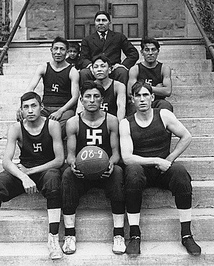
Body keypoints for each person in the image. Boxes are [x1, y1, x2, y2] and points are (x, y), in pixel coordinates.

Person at [0, 92, 65, 260]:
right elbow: (6, 161)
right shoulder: (16, 128)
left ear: (41, 107)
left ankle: (53, 238)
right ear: (21, 110)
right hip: (25, 169)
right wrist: (23, 177)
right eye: (26, 107)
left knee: (54, 180)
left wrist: (30, 172)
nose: (30, 110)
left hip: (47, 170)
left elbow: (59, 160)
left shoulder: (52, 126)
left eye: (34, 106)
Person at [119, 81, 201, 256]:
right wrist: (156, 159)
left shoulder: (163, 114)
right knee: (132, 172)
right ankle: (134, 235)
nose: (142, 99)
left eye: (145, 95)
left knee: (180, 173)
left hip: (163, 169)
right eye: (138, 96)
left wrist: (169, 159)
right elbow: (126, 157)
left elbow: (186, 136)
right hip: (142, 170)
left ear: (152, 97)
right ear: (132, 99)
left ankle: (186, 234)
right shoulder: (126, 123)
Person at [61, 80, 125, 255]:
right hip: (82, 172)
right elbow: (70, 155)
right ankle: (69, 234)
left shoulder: (112, 121)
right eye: (87, 96)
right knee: (67, 174)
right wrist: (73, 164)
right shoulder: (73, 123)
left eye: (96, 96)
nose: (91, 100)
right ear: (81, 99)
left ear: (102, 100)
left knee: (119, 172)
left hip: (105, 171)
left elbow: (116, 153)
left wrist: (111, 163)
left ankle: (119, 234)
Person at [17, 36, 80, 139]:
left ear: (67, 52)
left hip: (64, 109)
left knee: (62, 127)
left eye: (62, 49)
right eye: (55, 49)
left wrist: (60, 111)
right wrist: (21, 106)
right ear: (51, 50)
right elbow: (30, 89)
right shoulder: (43, 67)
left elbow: (75, 97)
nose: (58, 52)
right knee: (24, 116)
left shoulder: (72, 71)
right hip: (45, 107)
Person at [79, 11, 139, 86]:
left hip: (113, 69)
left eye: (104, 20)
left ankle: (121, 95)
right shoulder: (87, 39)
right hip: (95, 69)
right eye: (98, 20)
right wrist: (91, 66)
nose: (101, 23)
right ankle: (87, 95)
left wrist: (123, 65)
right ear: (94, 22)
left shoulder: (118, 37)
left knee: (122, 71)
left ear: (109, 22)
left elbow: (133, 53)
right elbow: (83, 58)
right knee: (84, 73)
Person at [127, 37, 173, 115]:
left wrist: (141, 87)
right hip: (141, 100)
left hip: (157, 101)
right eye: (147, 50)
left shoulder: (164, 68)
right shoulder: (135, 69)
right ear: (142, 52)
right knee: (132, 106)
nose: (150, 53)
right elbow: (130, 92)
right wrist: (157, 88)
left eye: (153, 50)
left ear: (158, 51)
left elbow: (168, 91)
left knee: (165, 105)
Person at [77, 54, 126, 122]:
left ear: (109, 70)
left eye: (103, 66)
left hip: (112, 122)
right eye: (96, 67)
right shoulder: (88, 86)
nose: (99, 69)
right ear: (92, 71)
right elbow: (80, 108)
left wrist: (118, 125)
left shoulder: (119, 86)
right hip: (92, 122)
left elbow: (121, 107)